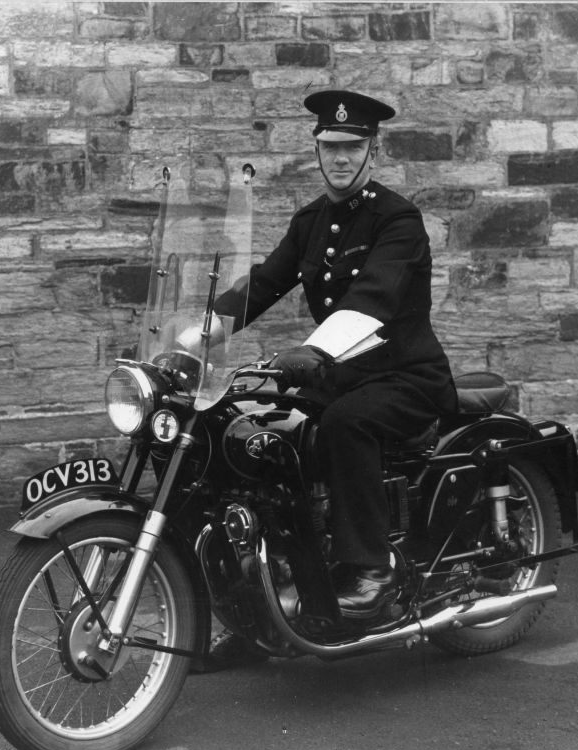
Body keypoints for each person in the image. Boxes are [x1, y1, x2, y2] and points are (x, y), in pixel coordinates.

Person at [194, 89, 458, 669]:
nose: (341, 157)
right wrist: (195, 337)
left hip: (404, 377)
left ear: (373, 150)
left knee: (344, 426)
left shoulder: (398, 220)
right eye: (331, 146)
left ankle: (371, 568)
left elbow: (375, 297)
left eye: (353, 146)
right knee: (250, 435)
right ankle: (256, 606)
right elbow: (264, 284)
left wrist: (313, 349)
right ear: (317, 149)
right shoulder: (312, 221)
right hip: (339, 374)